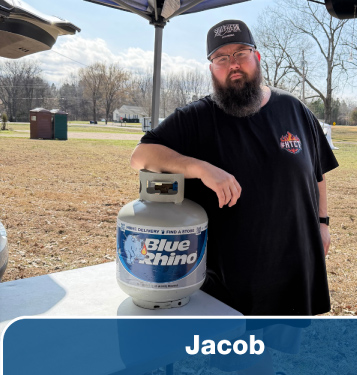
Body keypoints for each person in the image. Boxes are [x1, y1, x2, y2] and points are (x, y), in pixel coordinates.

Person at [130, 19, 339, 316]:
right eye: (221, 58)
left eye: (241, 53)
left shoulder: (295, 110)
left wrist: (323, 223)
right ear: (211, 67)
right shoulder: (196, 118)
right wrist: (201, 168)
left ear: (257, 57)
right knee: (244, 352)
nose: (233, 64)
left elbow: (317, 174)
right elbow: (141, 155)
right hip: (232, 272)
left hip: (293, 260)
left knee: (279, 340)